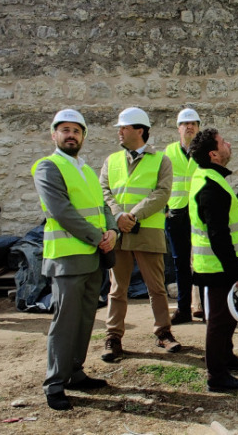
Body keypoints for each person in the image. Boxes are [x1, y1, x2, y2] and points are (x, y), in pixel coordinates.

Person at [32, 109, 118, 411]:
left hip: (93, 257)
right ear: (53, 134)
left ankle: (75, 372)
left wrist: (112, 230)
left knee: (83, 320)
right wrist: (99, 237)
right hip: (68, 259)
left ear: (83, 136)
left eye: (77, 131)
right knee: (65, 322)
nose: (71, 135)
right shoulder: (48, 167)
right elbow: (60, 211)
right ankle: (54, 383)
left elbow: (102, 206)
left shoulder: (84, 167)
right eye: (65, 130)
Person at [100, 107, 181, 362]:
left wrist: (133, 215)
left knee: (156, 288)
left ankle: (163, 333)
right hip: (118, 233)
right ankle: (113, 337)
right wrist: (118, 217)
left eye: (123, 127)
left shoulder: (161, 160)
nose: (119, 132)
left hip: (147, 230)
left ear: (140, 130)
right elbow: (103, 191)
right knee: (117, 289)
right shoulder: (111, 161)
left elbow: (162, 192)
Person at [188, 128, 238, 392]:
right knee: (219, 319)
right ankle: (216, 375)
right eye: (223, 142)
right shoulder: (210, 185)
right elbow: (218, 236)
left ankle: (226, 357)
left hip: (222, 263)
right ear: (214, 154)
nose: (229, 143)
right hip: (220, 266)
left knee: (229, 316)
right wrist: (237, 271)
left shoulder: (212, 177)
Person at [164, 107, 201, 324]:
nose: (189, 127)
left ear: (198, 127)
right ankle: (183, 309)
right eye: (185, 124)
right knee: (180, 263)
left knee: (204, 262)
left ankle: (204, 307)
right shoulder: (168, 152)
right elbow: (160, 182)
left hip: (199, 215)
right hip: (176, 214)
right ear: (178, 128)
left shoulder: (205, 151)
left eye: (193, 124)